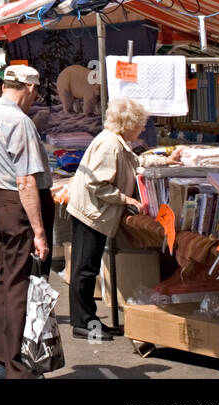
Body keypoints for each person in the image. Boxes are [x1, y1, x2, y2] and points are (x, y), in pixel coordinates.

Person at [65, 98, 176, 340]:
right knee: (85, 269)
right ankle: (83, 322)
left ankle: (87, 320)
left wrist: (166, 161)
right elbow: (97, 183)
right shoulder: (109, 145)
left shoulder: (117, 142)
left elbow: (137, 162)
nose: (141, 129)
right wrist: (125, 199)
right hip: (90, 214)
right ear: (128, 123)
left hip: (94, 213)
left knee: (87, 268)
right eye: (140, 124)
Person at [0, 63, 53, 379]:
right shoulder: (19, 122)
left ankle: (4, 359)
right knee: (20, 283)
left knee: (7, 279)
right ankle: (17, 367)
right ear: (30, 88)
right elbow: (25, 181)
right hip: (14, 202)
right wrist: (39, 232)